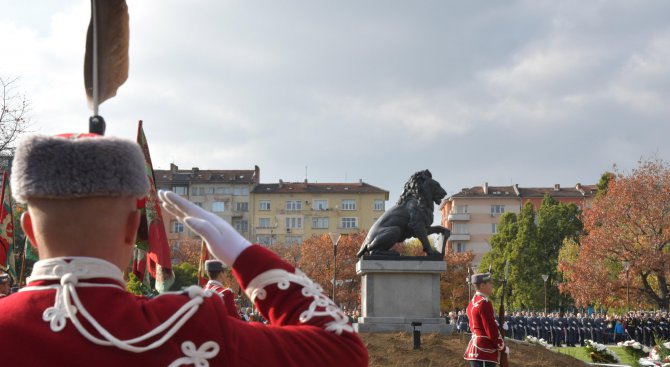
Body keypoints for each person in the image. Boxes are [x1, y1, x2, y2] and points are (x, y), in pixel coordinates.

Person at [0, 133, 367, 366]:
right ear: (133, 231)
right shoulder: (188, 324)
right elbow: (341, 352)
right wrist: (244, 255)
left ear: (29, 231)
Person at [464, 272, 508, 367]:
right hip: (484, 350)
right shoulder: (484, 303)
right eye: (489, 283)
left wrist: (497, 324)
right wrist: (502, 347)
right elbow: (490, 330)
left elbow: (479, 325)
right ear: (482, 285)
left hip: (476, 349)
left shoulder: (473, 302)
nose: (492, 285)